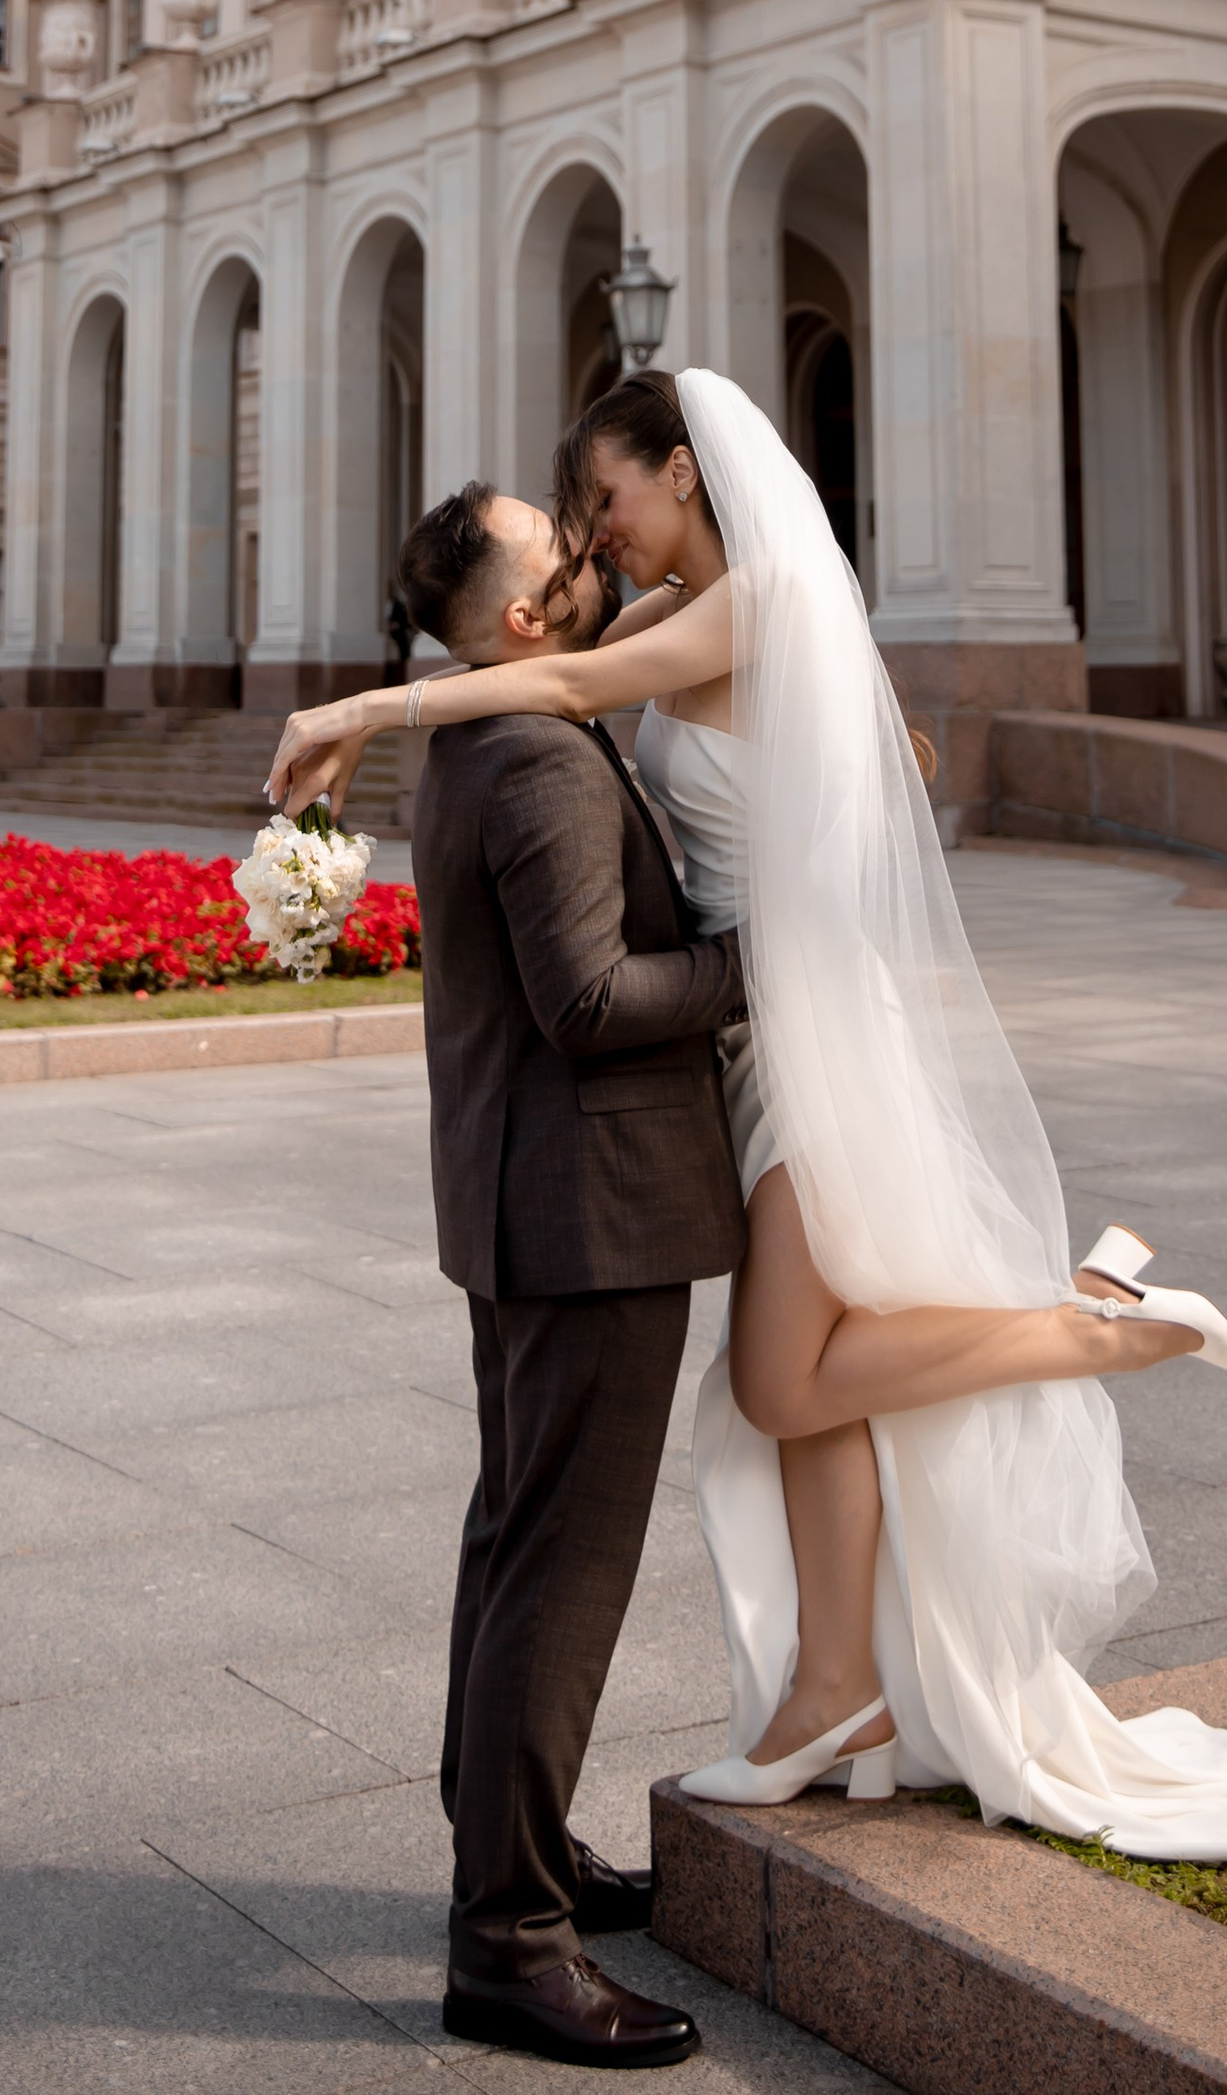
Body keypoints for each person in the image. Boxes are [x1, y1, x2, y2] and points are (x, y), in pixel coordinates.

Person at [273, 370, 1227, 1868]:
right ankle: (834, 1689)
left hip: (809, 1043)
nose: (599, 532)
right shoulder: (674, 621)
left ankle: (1088, 1324)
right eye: (580, 515)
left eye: (611, 497)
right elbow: (594, 686)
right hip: (760, 1035)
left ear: (687, 476)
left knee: (783, 1382)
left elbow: (567, 690)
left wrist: (366, 707)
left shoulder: (764, 601)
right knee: (811, 1383)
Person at [390, 474, 744, 2069]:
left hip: (530, 1201)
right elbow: (590, 1002)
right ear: (526, 620)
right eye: (564, 552)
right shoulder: (533, 756)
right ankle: (508, 1945)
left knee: (511, 1533)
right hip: (591, 1213)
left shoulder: (490, 718)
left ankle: (511, 1853)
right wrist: (758, 960)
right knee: (561, 1566)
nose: (595, 556)